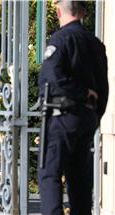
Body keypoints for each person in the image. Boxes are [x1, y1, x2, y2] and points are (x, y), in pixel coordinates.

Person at [37, 1, 108, 215]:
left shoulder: (60, 39)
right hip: (86, 118)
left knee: (49, 174)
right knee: (80, 179)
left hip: (62, 116)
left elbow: (52, 78)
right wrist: (95, 116)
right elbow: (103, 88)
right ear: (84, 12)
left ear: (58, 11)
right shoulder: (95, 43)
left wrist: (80, 93)